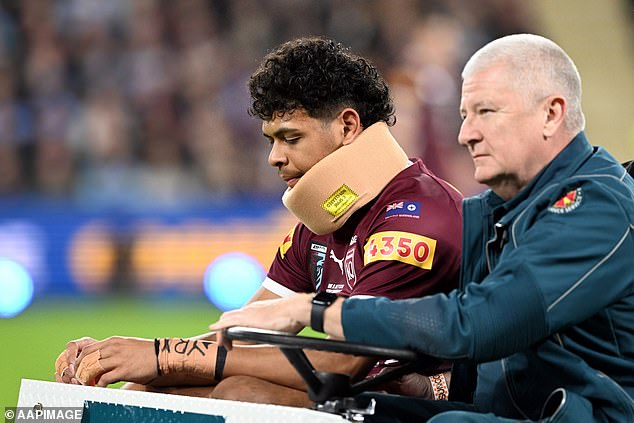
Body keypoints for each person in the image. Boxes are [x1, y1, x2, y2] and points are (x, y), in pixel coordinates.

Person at [210, 33, 634, 422]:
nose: (466, 134)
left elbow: (478, 322)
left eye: (485, 112)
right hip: (509, 410)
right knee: (289, 405)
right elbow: (500, 356)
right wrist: (434, 386)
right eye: (464, 115)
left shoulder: (592, 206)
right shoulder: (490, 212)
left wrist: (312, 310)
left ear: (551, 114)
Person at [54, 37, 463, 407]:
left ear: (348, 126)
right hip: (360, 397)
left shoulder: (413, 218)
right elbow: (240, 334)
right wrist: (123, 366)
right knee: (163, 384)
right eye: (271, 140)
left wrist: (161, 353)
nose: (274, 157)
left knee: (242, 393)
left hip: (431, 405)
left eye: (291, 138)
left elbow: (346, 359)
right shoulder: (317, 227)